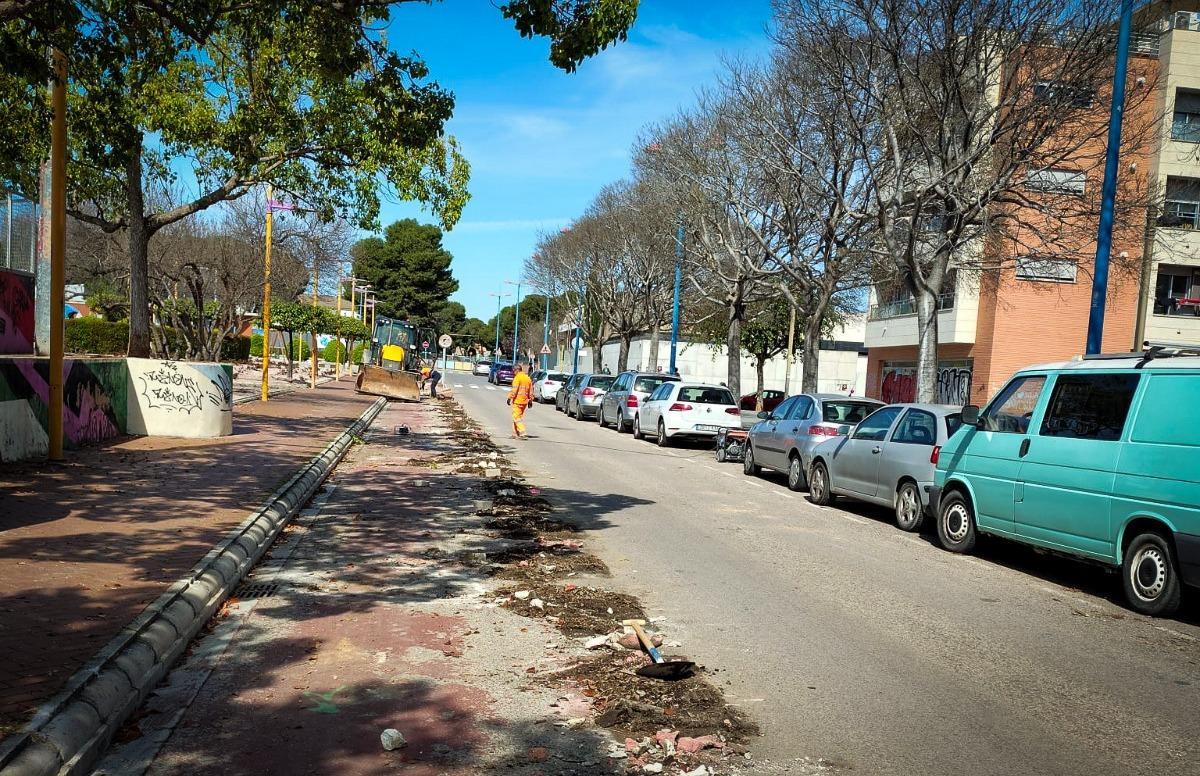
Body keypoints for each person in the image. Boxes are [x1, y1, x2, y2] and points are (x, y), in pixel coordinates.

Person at [507, 363, 534, 439]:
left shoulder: (517, 378)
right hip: (524, 402)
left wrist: (509, 398)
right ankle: (515, 433)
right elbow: (531, 391)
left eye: (513, 371)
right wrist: (530, 400)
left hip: (517, 401)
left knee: (516, 417)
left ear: (517, 370)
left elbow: (514, 390)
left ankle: (522, 432)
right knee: (517, 417)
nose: (513, 372)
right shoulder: (527, 378)